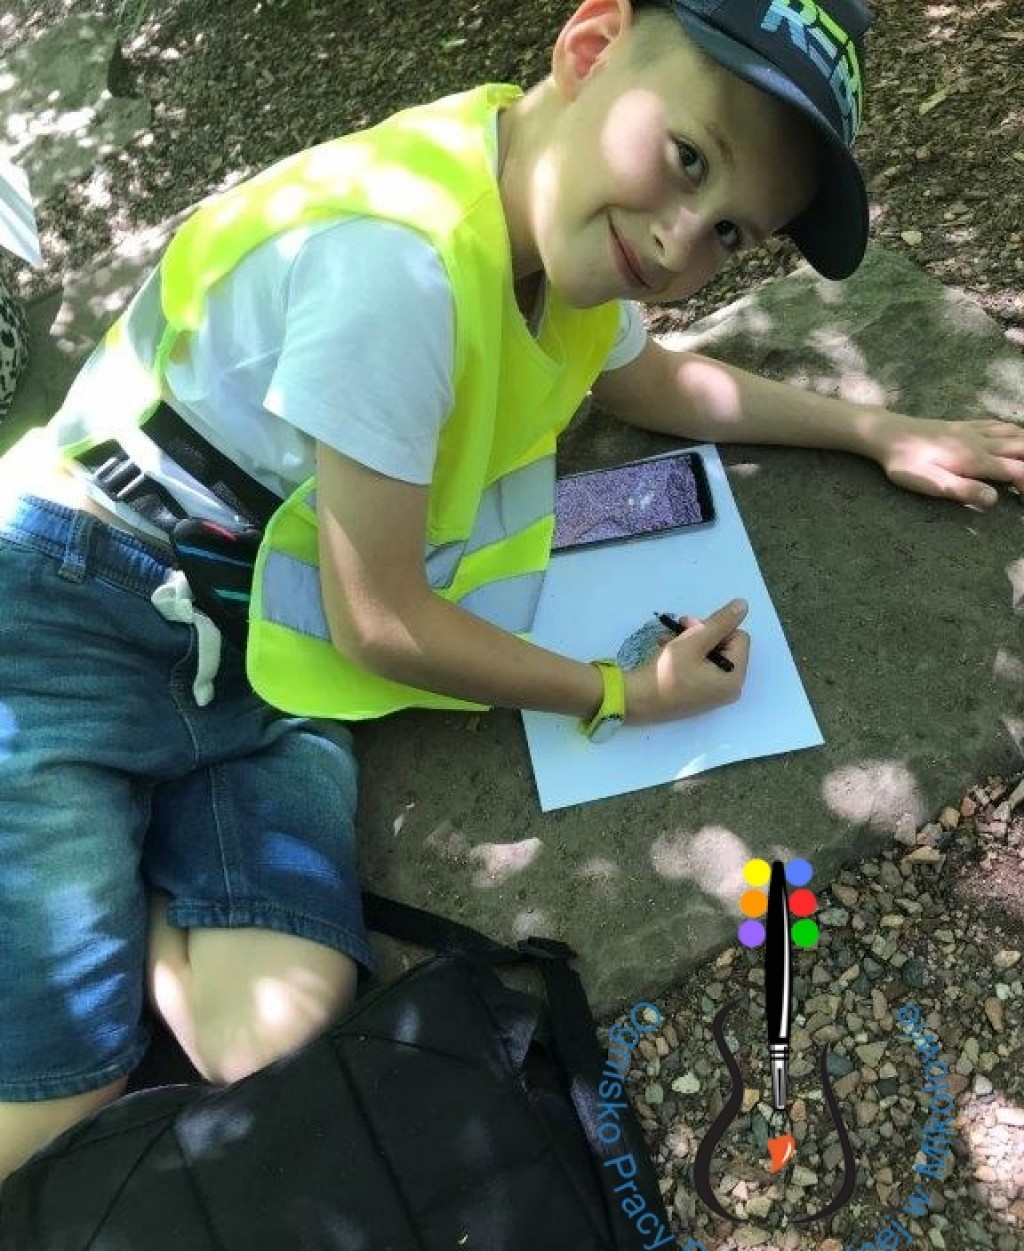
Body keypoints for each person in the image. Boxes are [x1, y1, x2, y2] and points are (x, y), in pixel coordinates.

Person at [1, 0, 1022, 1186]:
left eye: (729, 233)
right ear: (588, 50)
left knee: (266, 1032)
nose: (679, 240)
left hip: (263, 646)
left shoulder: (554, 224)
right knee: (58, 1090)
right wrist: (619, 693)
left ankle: (110, 844)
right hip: (80, 601)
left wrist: (877, 429)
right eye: (687, 158)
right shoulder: (399, 265)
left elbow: (648, 381)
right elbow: (381, 622)